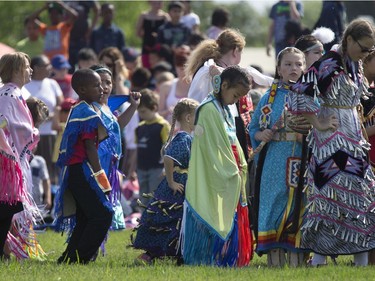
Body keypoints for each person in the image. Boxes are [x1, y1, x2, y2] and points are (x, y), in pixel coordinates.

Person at [287, 18, 375, 267]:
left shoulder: (353, 65)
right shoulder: (329, 63)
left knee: (359, 193)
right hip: (331, 140)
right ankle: (319, 258)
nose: (367, 54)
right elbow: (297, 94)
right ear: (349, 40)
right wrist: (317, 122)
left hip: (353, 138)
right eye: (365, 47)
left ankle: (360, 260)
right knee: (328, 192)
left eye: (371, 50)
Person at [181, 66, 253, 267]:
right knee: (212, 208)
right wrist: (231, 169)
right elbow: (212, 148)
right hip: (217, 168)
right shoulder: (209, 109)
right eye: (236, 95)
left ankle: (222, 255)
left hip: (231, 164)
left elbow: (232, 141)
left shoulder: (223, 108)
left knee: (226, 211)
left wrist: (240, 164)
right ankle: (208, 256)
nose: (236, 100)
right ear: (224, 85)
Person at [248, 47, 306, 267]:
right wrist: (260, 133)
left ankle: (297, 260)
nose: (294, 69)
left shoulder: (310, 96)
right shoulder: (268, 98)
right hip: (274, 159)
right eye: (288, 64)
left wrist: (308, 135)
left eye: (298, 64)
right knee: (273, 201)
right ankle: (275, 261)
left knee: (298, 203)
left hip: (301, 156)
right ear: (279, 69)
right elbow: (253, 127)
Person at [54, 69, 113, 264]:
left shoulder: (77, 109)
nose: (102, 89)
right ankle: (81, 257)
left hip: (75, 170)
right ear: (82, 89)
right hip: (83, 169)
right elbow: (89, 146)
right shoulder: (86, 112)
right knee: (103, 215)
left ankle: (69, 258)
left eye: (102, 85)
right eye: (96, 85)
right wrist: (99, 173)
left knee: (86, 216)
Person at [132, 98, 199, 265]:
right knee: (171, 218)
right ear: (189, 118)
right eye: (197, 117)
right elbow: (169, 158)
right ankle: (153, 254)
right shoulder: (183, 137)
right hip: (177, 185)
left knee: (175, 219)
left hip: (182, 183)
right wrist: (171, 182)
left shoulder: (186, 137)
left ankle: (176, 254)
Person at [0, 52, 42, 260]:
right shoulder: (9, 94)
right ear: (16, 70)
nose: (30, 69)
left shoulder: (12, 93)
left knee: (9, 207)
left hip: (10, 160)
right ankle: (5, 252)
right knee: (8, 207)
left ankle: (7, 252)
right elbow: (9, 124)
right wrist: (33, 132)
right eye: (26, 66)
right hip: (6, 161)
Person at [90, 65, 141, 230]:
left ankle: (94, 248)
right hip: (93, 166)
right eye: (99, 83)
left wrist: (133, 106)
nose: (104, 87)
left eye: (108, 82)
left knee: (104, 210)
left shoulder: (109, 109)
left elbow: (117, 126)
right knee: (93, 208)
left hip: (109, 166)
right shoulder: (87, 108)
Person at [25, 55, 63, 186]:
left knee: (50, 169)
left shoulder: (52, 84)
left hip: (50, 133)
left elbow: (61, 104)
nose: (50, 68)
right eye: (47, 65)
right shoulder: (26, 85)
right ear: (36, 68)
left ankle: (50, 197)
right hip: (31, 134)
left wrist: (54, 115)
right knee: (33, 168)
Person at [136, 89, 170, 205]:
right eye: (139, 112)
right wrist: (132, 170)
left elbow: (168, 148)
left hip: (157, 169)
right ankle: (143, 221)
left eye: (144, 111)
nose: (141, 115)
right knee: (143, 197)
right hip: (141, 168)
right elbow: (137, 150)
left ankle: (154, 221)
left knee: (155, 197)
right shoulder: (140, 127)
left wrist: (167, 168)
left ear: (154, 107)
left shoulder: (163, 125)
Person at [66, 0, 100, 73]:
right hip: (68, 37)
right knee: (69, 66)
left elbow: (97, 10)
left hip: (83, 38)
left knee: (85, 62)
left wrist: (90, 30)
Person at [158, 47, 191, 123]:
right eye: (178, 66)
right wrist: (168, 111)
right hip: (170, 130)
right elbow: (159, 114)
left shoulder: (198, 86)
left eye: (184, 67)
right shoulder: (165, 87)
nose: (181, 69)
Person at [136, 0, 169, 69]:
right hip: (146, 46)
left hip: (159, 49)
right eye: (155, 2)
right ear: (150, 2)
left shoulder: (165, 17)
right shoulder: (143, 16)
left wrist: (159, 37)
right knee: (146, 67)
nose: (157, 4)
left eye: (160, 2)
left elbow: (168, 33)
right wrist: (147, 36)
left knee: (159, 68)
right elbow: (138, 33)